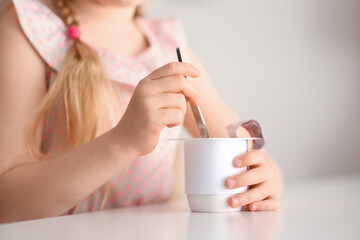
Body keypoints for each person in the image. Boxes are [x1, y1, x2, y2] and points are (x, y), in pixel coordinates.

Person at [0, 0, 283, 223]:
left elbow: (245, 151)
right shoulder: (26, 29)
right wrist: (122, 141)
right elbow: (6, 202)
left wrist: (265, 177)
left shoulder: (170, 45)